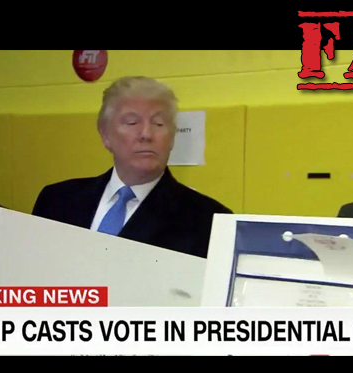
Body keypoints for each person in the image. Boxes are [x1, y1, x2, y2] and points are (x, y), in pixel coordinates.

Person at [32, 76, 232, 258]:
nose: (146, 134)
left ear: (172, 137)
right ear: (105, 135)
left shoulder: (209, 221)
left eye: (158, 123)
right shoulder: (56, 200)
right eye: (132, 122)